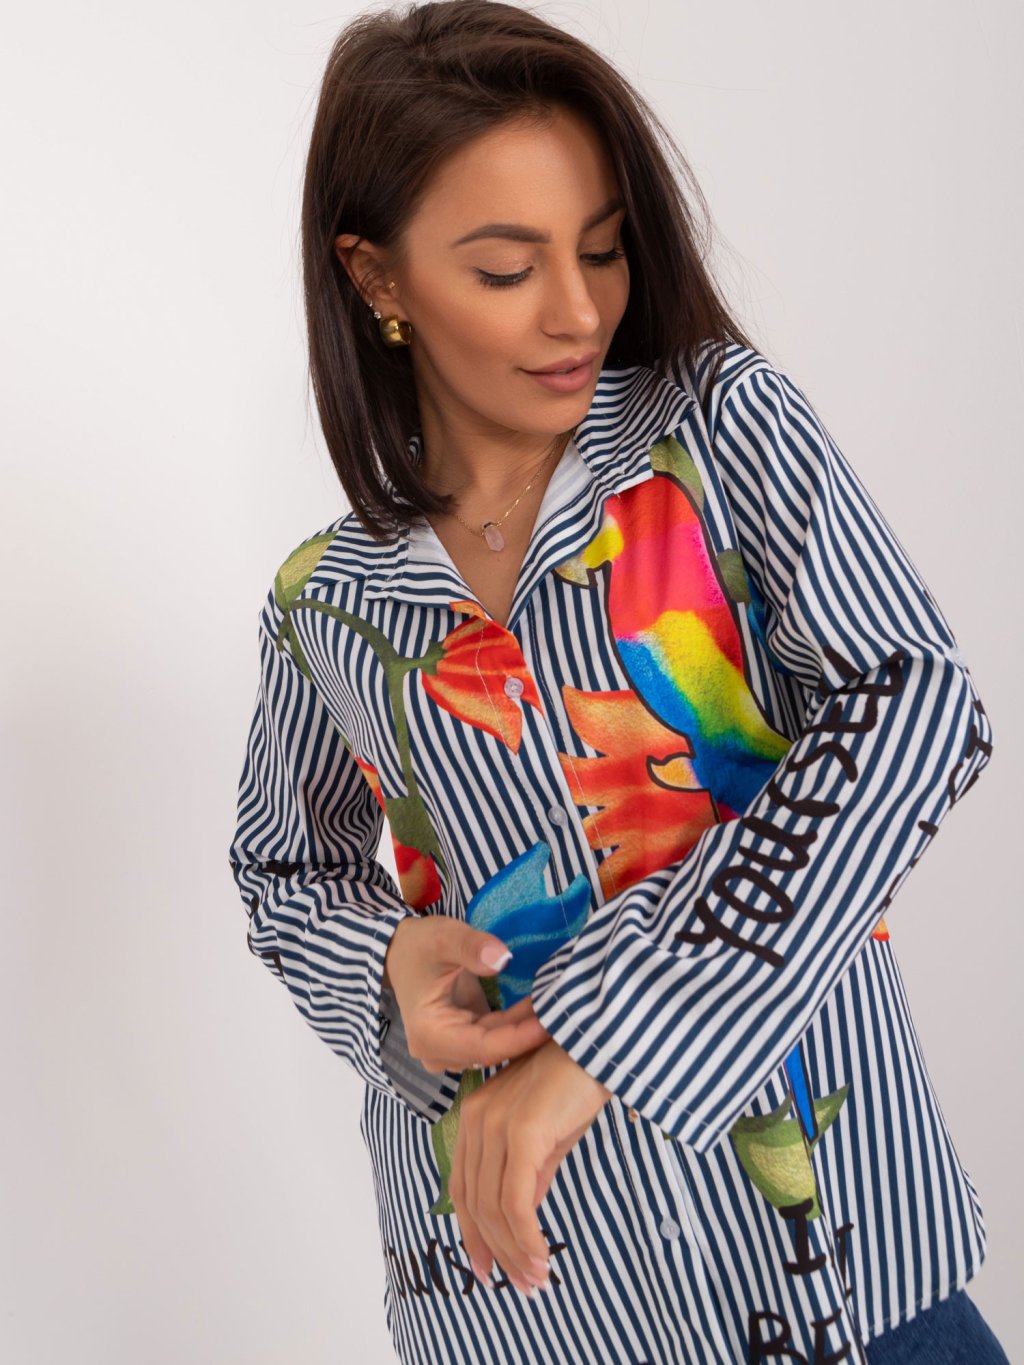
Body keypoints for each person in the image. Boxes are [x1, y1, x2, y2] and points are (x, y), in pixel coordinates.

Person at [227, 2, 1008, 1361]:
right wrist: (390, 976)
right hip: (531, 1298)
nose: (579, 310)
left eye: (600, 248)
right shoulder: (325, 602)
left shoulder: (718, 431)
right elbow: (284, 869)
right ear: (376, 277)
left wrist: (609, 1037)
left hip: (830, 1257)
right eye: (506, 268)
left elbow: (916, 702)